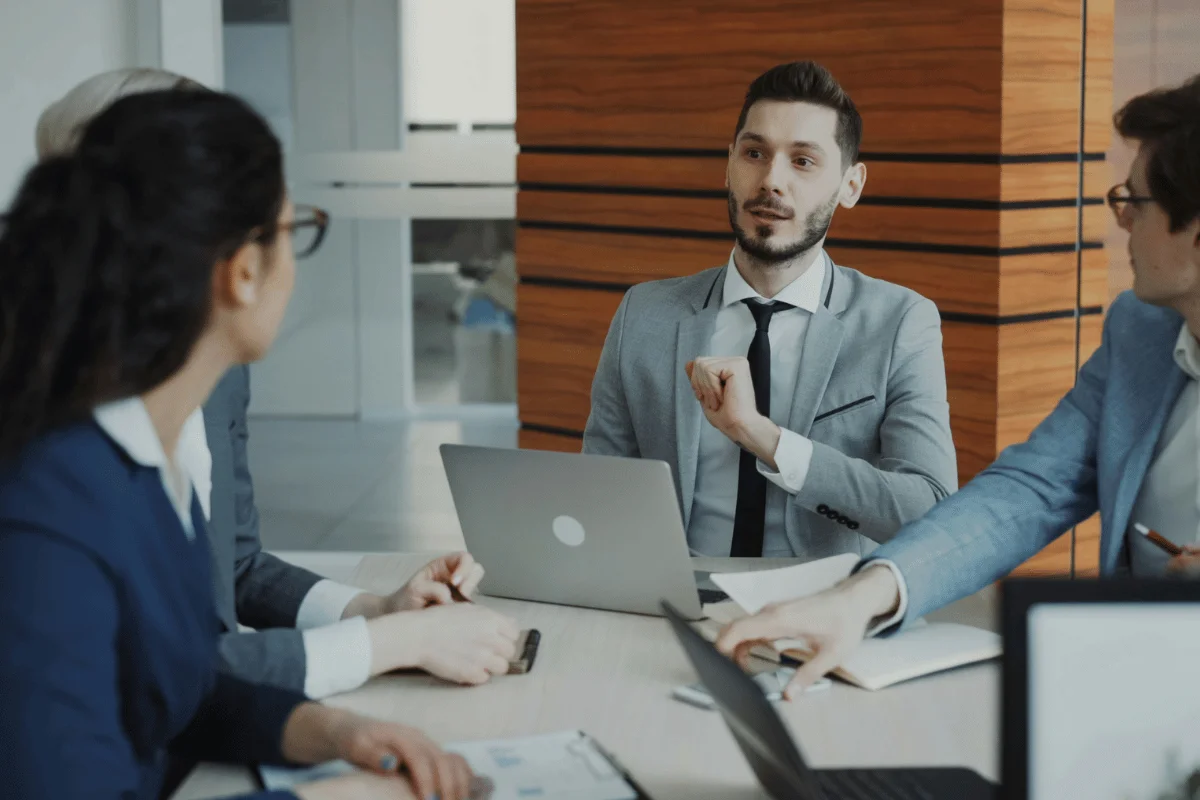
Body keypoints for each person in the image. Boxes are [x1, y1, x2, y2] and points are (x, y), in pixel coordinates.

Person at [0, 88, 476, 800]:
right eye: (293, 230)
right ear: (242, 271)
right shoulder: (46, 512)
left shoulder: (153, 459)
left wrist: (331, 732)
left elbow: (179, 688)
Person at [716, 73, 1200, 699]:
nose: (1122, 221)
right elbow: (1027, 491)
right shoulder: (1144, 333)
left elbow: (921, 493)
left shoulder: (898, 319)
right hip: (1143, 686)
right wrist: (862, 598)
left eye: (1138, 203)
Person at [583, 61, 957, 560]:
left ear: (851, 185)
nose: (771, 181)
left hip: (819, 612)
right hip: (674, 601)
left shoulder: (900, 323)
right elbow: (598, 492)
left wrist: (763, 438)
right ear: (729, 165)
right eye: (754, 153)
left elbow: (928, 509)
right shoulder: (644, 313)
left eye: (803, 161)